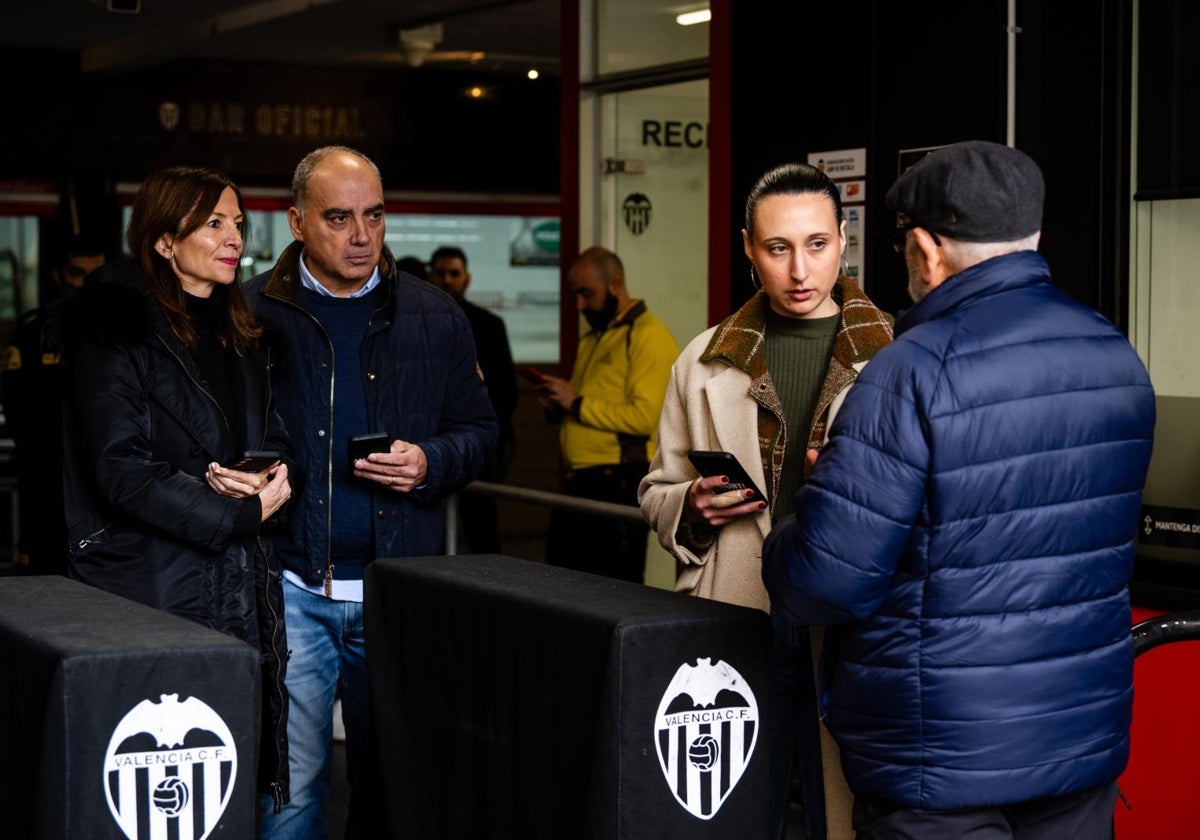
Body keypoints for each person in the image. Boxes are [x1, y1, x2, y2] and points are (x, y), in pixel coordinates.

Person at [762, 140, 1156, 839]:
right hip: (1078, 740)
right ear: (1030, 238)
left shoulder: (908, 372)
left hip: (938, 758)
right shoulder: (1112, 354)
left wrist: (812, 507)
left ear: (925, 248)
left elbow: (826, 581)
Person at [245, 145, 498, 838]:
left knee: (394, 786)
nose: (361, 236)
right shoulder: (248, 315)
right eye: (339, 218)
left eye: (375, 216)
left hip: (398, 590)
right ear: (296, 222)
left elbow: (479, 430)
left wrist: (433, 461)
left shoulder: (434, 316)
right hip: (293, 586)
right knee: (290, 795)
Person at [638, 163, 894, 840]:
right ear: (750, 249)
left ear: (844, 241)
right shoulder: (702, 359)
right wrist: (690, 502)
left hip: (850, 615)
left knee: (841, 805)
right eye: (778, 249)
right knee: (732, 799)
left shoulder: (898, 355)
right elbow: (655, 491)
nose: (799, 269)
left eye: (816, 244)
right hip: (735, 604)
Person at [58, 166, 295, 809]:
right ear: (165, 242)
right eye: (213, 224)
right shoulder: (116, 334)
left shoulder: (245, 336)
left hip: (239, 586)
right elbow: (120, 469)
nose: (234, 240)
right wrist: (238, 514)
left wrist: (271, 475)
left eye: (239, 224)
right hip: (148, 585)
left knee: (227, 785)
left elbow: (273, 436)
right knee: (159, 788)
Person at [538, 246, 678, 583]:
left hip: (619, 479)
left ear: (615, 285)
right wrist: (560, 407)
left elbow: (645, 417)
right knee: (563, 584)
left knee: (613, 589)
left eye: (587, 294)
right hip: (581, 480)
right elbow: (587, 404)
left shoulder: (647, 335)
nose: (580, 305)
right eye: (575, 295)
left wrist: (576, 404)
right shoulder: (594, 338)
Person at [1, 232, 107, 575]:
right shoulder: (33, 334)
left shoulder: (120, 335)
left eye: (95, 275)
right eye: (78, 274)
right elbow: (17, 411)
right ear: (59, 275)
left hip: (104, 481)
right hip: (45, 475)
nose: (86, 285)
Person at [429, 244, 518, 554]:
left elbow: (506, 390)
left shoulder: (489, 325)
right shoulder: (417, 324)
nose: (447, 280)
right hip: (428, 448)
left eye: (454, 273)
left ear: (467, 278)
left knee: (482, 530)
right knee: (430, 534)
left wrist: (488, 438)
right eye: (440, 273)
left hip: (475, 445)